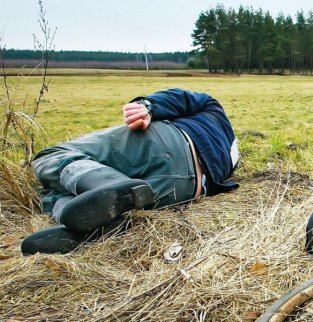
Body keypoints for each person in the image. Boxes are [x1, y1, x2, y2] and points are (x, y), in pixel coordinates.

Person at [21, 88, 240, 255]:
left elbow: (186, 98)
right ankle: (89, 226)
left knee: (50, 156)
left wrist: (146, 106)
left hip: (165, 145)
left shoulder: (213, 110)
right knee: (51, 190)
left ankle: (101, 185)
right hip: (181, 190)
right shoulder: (232, 158)